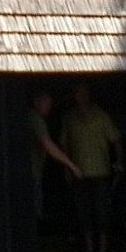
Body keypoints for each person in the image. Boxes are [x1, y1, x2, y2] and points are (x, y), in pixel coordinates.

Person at [58, 82, 122, 252]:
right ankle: (89, 251)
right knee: (83, 212)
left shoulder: (101, 115)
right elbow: (64, 146)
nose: (81, 97)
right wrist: (67, 168)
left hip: (100, 170)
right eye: (77, 94)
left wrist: (118, 163)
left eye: (83, 93)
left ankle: (102, 251)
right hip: (79, 172)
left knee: (102, 212)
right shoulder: (69, 119)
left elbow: (115, 139)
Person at [28, 90, 79, 230]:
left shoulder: (33, 119)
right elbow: (48, 145)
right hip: (31, 176)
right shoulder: (36, 120)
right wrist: (72, 165)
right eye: (46, 103)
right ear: (36, 102)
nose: (49, 107)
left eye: (50, 103)